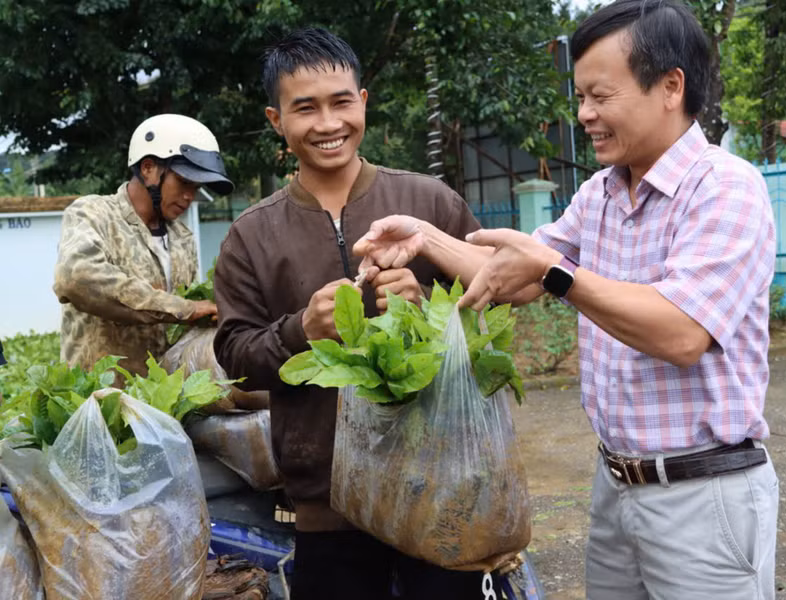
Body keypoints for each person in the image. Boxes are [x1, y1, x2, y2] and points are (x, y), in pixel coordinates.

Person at [354, 1, 779, 598]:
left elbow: (681, 332)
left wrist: (555, 271)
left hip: (701, 497)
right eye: (580, 97)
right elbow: (518, 273)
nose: (585, 114)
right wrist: (425, 238)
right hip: (616, 487)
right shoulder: (602, 193)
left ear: (670, 86)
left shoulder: (726, 188)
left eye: (601, 96)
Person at [212, 28, 485, 600]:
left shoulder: (430, 203)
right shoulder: (252, 235)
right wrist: (300, 331)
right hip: (326, 506)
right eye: (304, 108)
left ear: (364, 102)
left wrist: (428, 311)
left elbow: (497, 299)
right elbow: (234, 356)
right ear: (275, 121)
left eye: (341, 102)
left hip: (438, 484)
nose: (328, 123)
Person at [53, 114, 233, 378]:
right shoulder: (93, 214)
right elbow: (76, 277)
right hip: (101, 402)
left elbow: (184, 326)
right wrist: (182, 308)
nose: (189, 196)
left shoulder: (182, 238)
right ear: (148, 168)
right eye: (183, 182)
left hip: (161, 403)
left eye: (196, 188)